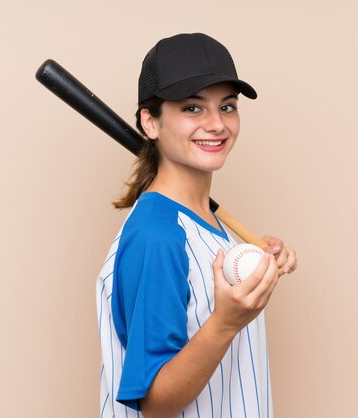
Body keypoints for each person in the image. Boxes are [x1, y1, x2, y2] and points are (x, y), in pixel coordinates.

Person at [96, 32, 297, 418]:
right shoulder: (157, 236)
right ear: (150, 122)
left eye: (227, 106)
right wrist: (225, 323)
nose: (216, 124)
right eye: (192, 108)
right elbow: (155, 402)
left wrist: (259, 263)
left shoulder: (205, 222)